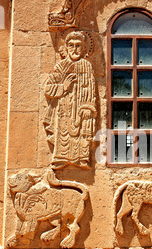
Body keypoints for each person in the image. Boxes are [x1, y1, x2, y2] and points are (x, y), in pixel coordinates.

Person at [44, 31, 97, 170]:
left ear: (84, 48)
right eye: (71, 45)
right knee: (63, 132)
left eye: (78, 46)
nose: (75, 49)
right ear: (66, 47)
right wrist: (63, 87)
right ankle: (61, 159)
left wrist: (88, 107)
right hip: (64, 109)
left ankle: (81, 159)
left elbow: (91, 91)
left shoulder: (87, 66)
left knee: (80, 132)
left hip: (81, 110)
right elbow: (48, 89)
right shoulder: (61, 67)